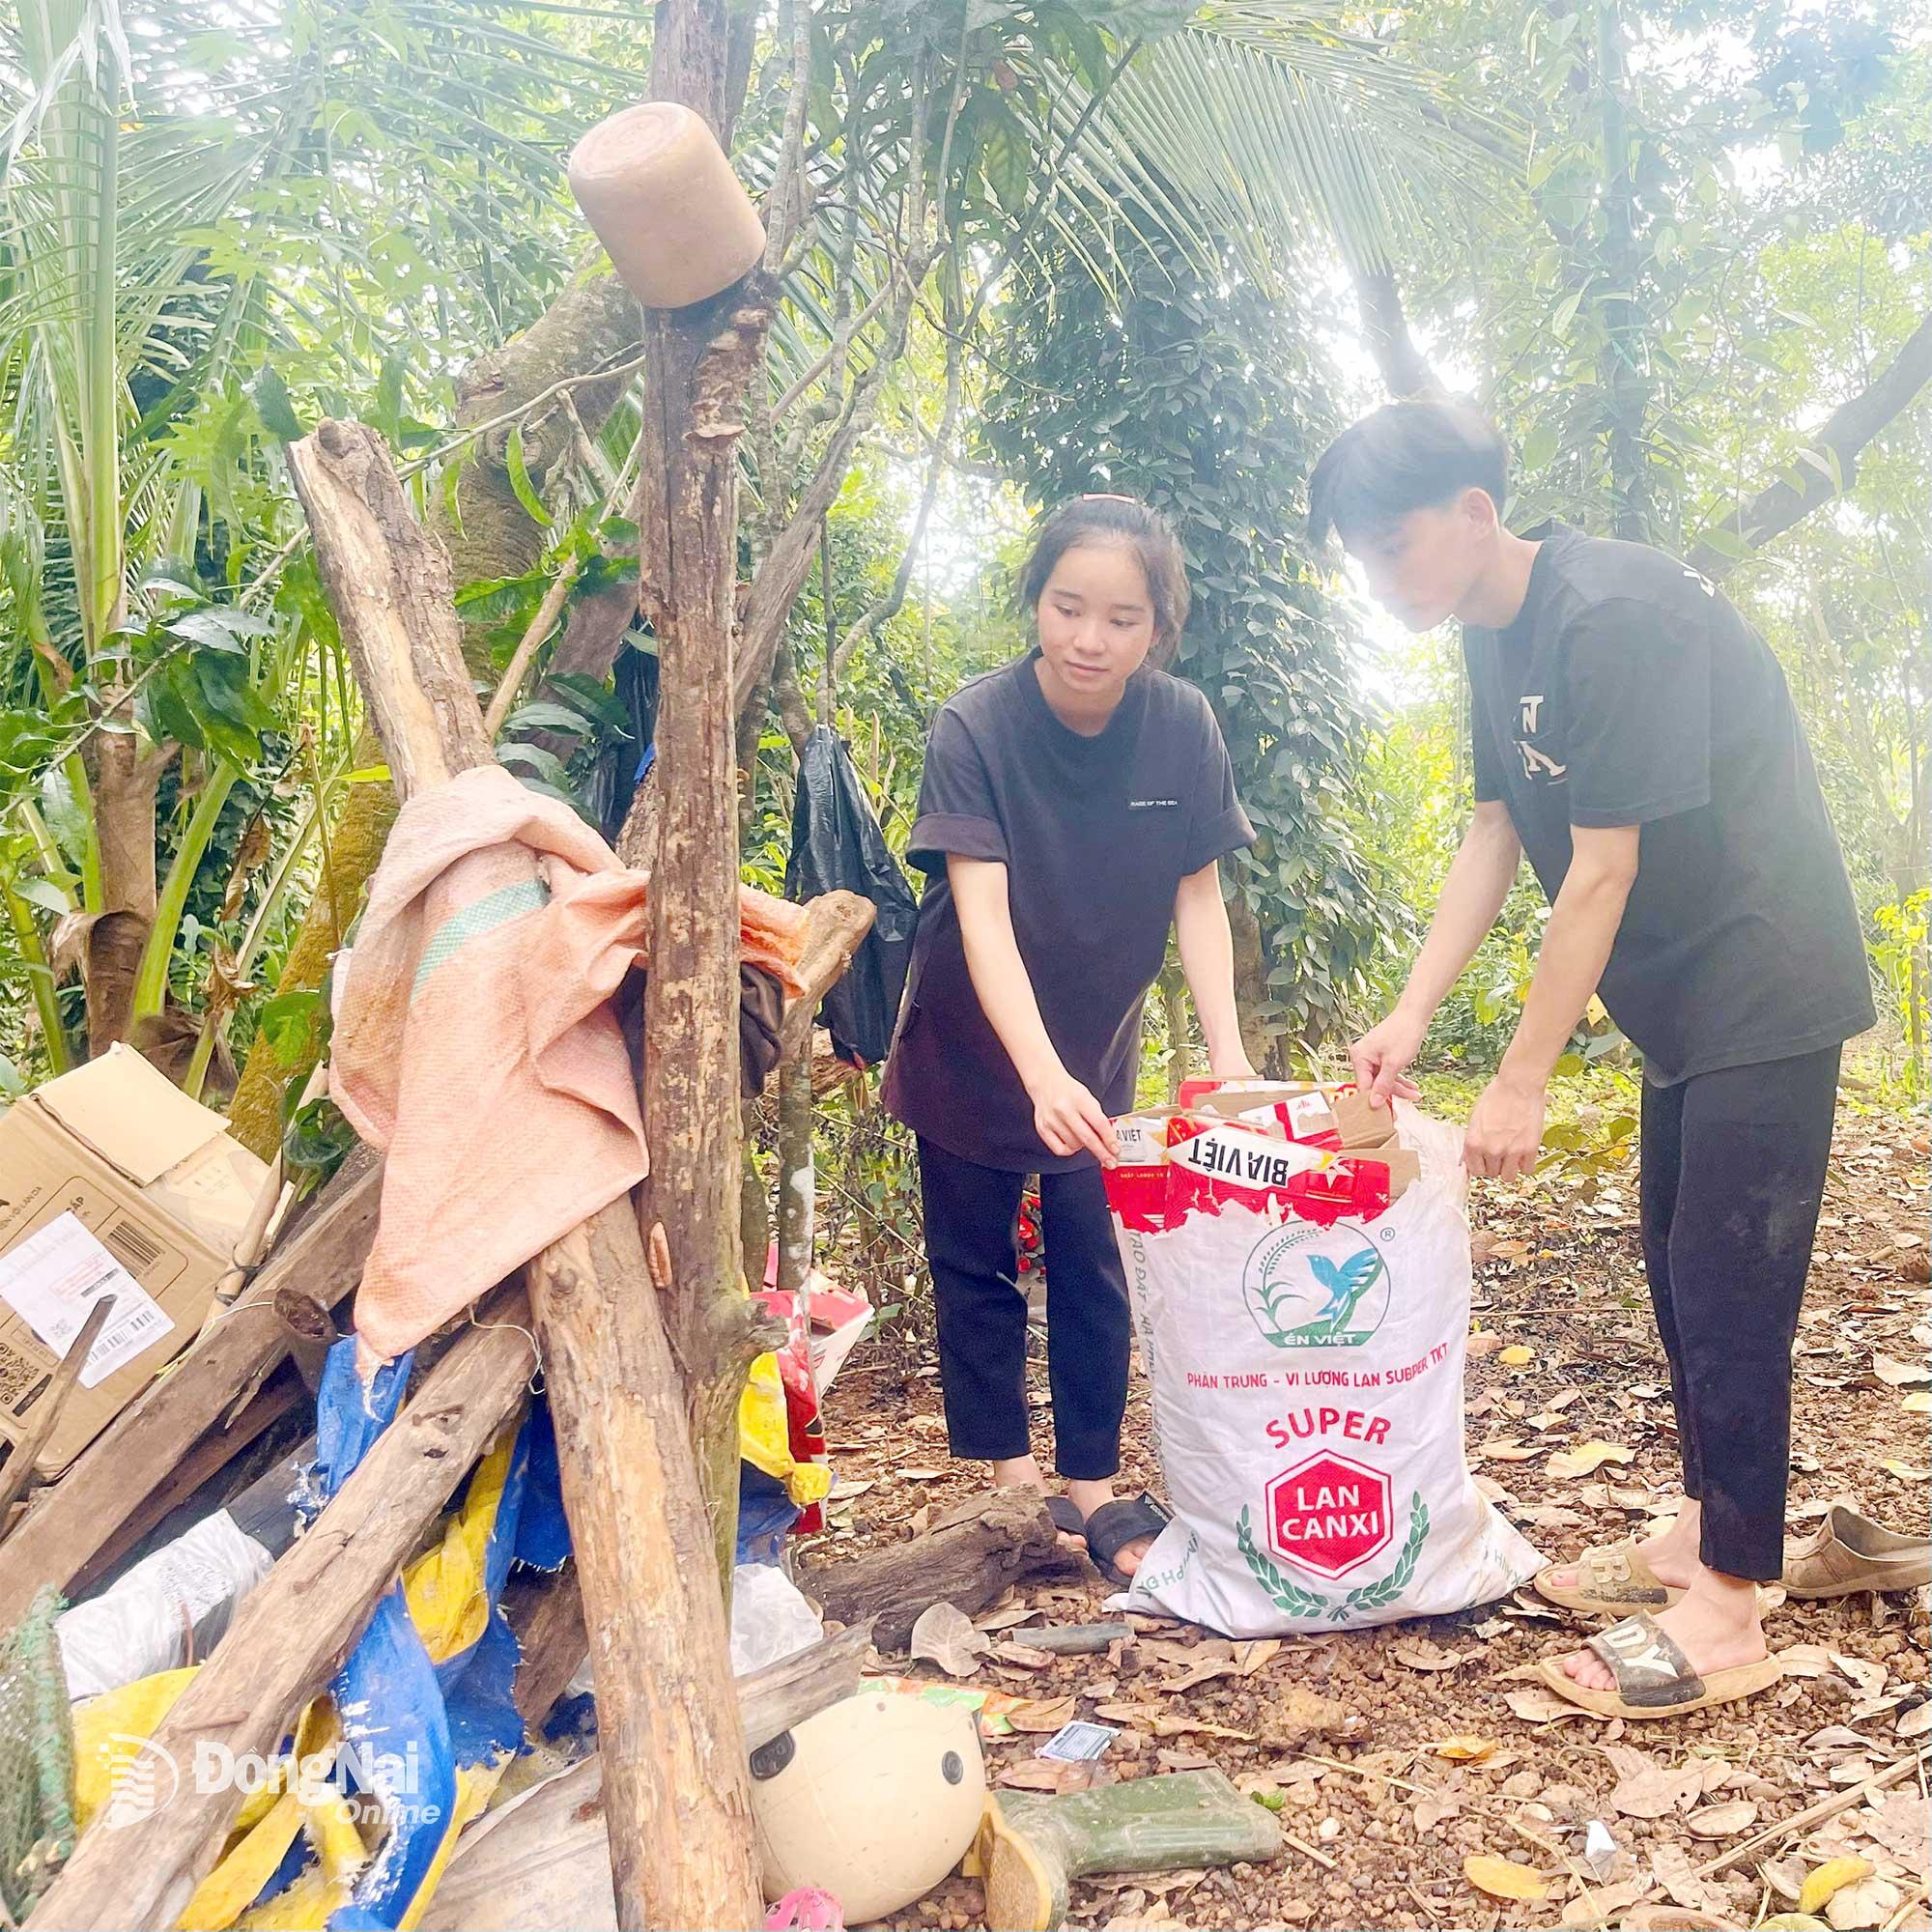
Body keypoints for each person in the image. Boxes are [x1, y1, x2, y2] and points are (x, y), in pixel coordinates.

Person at [1310, 401, 1873, 1719]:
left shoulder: (1614, 613)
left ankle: (1734, 1601)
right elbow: (1498, 832)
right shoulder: (1487, 634)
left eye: (1392, 549)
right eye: (1364, 560)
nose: (1384, 580)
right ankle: (1700, 1529)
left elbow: (1603, 866)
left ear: (1472, 514)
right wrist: (1409, 1007)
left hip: (1765, 971)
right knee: (1677, 1263)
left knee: (1732, 1283)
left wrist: (1521, 1075)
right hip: (1680, 997)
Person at [882, 494, 1257, 1582]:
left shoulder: (1181, 725)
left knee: (1094, 1261)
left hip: (1095, 1043)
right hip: (967, 1038)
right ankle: (1003, 1477)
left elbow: (1198, 895)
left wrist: (1222, 1050)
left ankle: (1090, 1479)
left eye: (1121, 618)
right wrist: (1034, 1070)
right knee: (975, 1262)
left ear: (1157, 628)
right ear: (1035, 602)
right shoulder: (976, 725)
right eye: (1067, 607)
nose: (1089, 638)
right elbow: (980, 911)